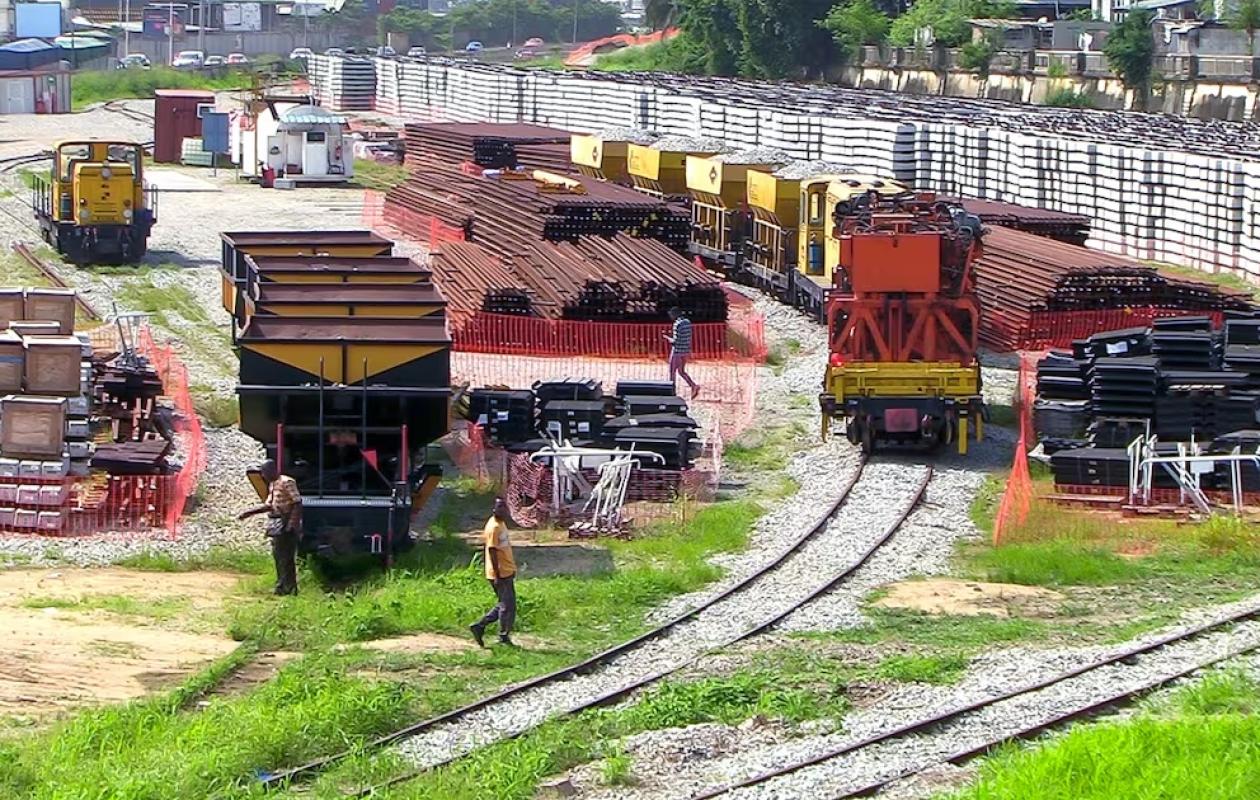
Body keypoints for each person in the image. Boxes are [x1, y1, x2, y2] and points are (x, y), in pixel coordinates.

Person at [237, 459, 303, 596]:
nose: (263, 475)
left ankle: (290, 588)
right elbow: (269, 505)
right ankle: (281, 586)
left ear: (273, 470)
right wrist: (249, 513)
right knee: (278, 556)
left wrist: (292, 524)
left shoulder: (286, 482)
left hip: (286, 522)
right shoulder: (273, 485)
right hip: (276, 522)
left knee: (286, 557)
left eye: (264, 472)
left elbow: (297, 503)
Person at [470, 498, 516, 647]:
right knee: (506, 605)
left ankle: (480, 626)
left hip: (506, 570)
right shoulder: (494, 527)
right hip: (500, 573)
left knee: (506, 604)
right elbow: (492, 551)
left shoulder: (501, 523)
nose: (503, 510)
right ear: (494, 510)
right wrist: (497, 574)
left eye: (505, 507)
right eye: (500, 508)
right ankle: (503, 637)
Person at [665, 306, 700, 399]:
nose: (671, 316)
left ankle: (671, 392)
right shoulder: (687, 322)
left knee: (672, 372)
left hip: (677, 351)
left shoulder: (677, 324)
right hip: (685, 350)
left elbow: (675, 341)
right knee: (681, 371)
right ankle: (693, 386)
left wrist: (668, 338)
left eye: (671, 315)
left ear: (675, 314)